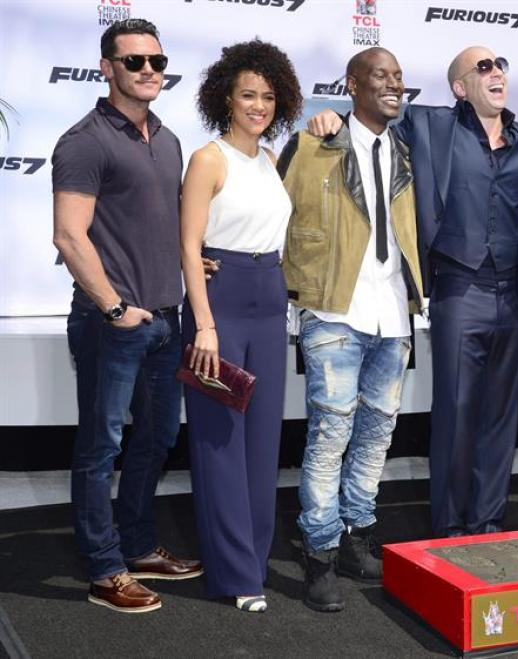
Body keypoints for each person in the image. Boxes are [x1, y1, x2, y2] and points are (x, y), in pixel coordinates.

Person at [309, 45, 518, 538]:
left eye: (501, 64)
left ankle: (488, 521)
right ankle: (449, 525)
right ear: (460, 86)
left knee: (501, 417)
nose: (497, 72)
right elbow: (368, 128)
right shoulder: (428, 125)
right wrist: (330, 123)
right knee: (455, 413)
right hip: (457, 289)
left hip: (512, 293)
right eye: (483, 66)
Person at [51, 18, 201, 613]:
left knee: (158, 437)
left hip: (167, 321)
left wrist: (191, 267)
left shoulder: (166, 138)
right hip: (111, 323)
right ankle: (103, 567)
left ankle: (137, 546)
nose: (148, 71)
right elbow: (69, 235)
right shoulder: (85, 140)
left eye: (156, 62)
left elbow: (155, 224)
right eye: (135, 61)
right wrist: (114, 307)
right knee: (100, 447)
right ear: (106, 67)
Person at [280, 47, 424, 613]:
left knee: (375, 436)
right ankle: (318, 551)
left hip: (393, 313)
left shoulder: (405, 151)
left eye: (399, 76)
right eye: (382, 76)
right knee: (329, 437)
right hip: (334, 312)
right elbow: (276, 210)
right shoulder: (315, 143)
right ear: (353, 84)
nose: (393, 85)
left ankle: (357, 534)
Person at [179, 39, 302, 612]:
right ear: (225, 98)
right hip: (220, 304)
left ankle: (253, 560)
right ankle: (236, 575)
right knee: (220, 442)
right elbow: (188, 246)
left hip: (268, 298)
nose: (259, 105)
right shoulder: (209, 158)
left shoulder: (270, 159)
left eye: (268, 96)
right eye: (248, 95)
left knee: (262, 441)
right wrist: (204, 324)